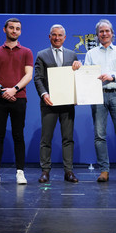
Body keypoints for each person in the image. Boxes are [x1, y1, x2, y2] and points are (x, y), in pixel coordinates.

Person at [84, 19, 116, 183]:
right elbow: (86, 75)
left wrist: (113, 76)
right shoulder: (91, 54)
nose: (104, 34)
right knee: (99, 135)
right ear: (97, 35)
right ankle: (104, 170)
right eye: (101, 31)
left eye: (107, 31)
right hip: (97, 95)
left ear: (112, 33)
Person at [0, 18, 33, 185]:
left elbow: (28, 75)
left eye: (17, 28)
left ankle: (20, 172)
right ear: (4, 29)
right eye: (11, 28)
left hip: (19, 98)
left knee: (18, 135)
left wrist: (14, 89)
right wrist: (1, 90)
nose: (14, 31)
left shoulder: (27, 51)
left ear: (20, 31)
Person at [33, 24, 82, 183]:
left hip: (67, 104)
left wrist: (79, 68)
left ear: (65, 37)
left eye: (60, 35)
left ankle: (69, 171)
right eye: (54, 35)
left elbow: (77, 78)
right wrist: (43, 94)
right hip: (49, 102)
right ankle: (45, 171)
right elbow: (38, 78)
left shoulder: (72, 54)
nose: (57, 38)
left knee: (68, 138)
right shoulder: (42, 55)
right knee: (46, 139)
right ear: (49, 37)